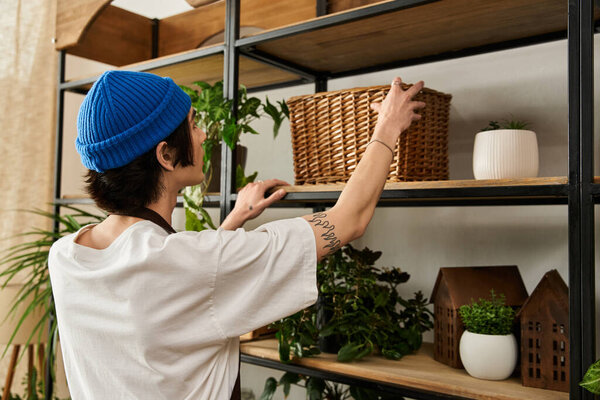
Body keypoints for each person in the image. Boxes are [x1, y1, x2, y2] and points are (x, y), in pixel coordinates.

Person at [48, 70, 425, 399]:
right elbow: (349, 219)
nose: (202, 135)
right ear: (165, 155)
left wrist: (232, 223)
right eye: (193, 124)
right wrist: (388, 126)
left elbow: (175, 291)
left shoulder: (66, 257)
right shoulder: (193, 262)